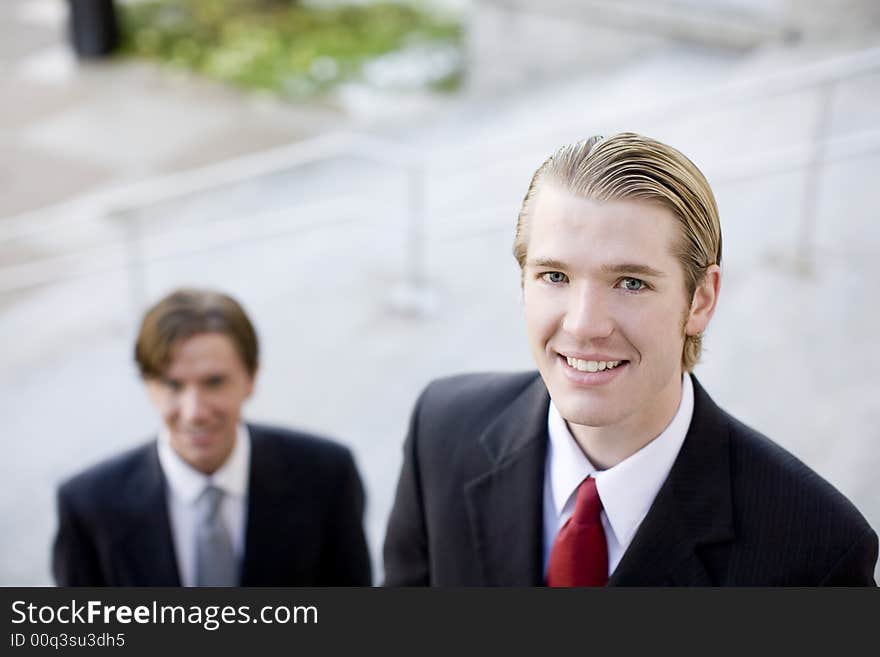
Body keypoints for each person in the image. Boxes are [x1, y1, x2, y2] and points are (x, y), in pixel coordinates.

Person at [382, 133, 878, 586]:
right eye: (555, 276)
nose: (583, 324)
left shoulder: (817, 551)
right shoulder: (442, 431)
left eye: (631, 283)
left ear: (701, 300)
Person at [53, 288, 372, 586]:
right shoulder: (88, 505)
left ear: (251, 378)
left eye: (214, 382)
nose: (195, 412)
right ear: (148, 386)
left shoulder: (327, 476)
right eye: (173, 386)